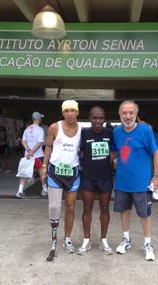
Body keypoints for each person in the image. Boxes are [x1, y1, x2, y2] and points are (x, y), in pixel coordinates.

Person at [111, 100, 158, 261]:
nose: (128, 116)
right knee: (124, 211)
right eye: (124, 113)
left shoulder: (145, 130)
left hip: (142, 183)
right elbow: (114, 154)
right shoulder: (117, 132)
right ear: (120, 115)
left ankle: (147, 243)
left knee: (145, 214)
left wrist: (156, 176)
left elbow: (156, 153)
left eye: (131, 112)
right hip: (122, 182)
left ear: (136, 114)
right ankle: (126, 239)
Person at [42, 100, 81, 261]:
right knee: (55, 206)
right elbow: (48, 146)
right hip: (55, 172)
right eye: (67, 111)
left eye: (72, 110)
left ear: (77, 112)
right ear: (63, 112)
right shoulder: (54, 127)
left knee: (70, 207)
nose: (70, 114)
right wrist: (44, 165)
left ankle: (67, 239)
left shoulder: (81, 130)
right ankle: (53, 240)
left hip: (72, 173)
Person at [77, 106, 114, 255]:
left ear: (104, 119)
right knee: (87, 209)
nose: (98, 121)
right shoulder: (84, 133)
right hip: (88, 178)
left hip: (105, 178)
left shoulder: (110, 133)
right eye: (94, 118)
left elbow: (116, 151)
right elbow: (80, 151)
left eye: (100, 118)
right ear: (89, 118)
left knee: (105, 209)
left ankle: (104, 240)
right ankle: (86, 240)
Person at [15, 111, 47, 198]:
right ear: (39, 119)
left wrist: (28, 150)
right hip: (38, 155)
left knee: (24, 173)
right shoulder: (40, 130)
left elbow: (23, 141)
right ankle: (44, 190)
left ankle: (20, 191)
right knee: (41, 173)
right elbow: (40, 142)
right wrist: (32, 151)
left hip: (28, 156)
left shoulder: (27, 129)